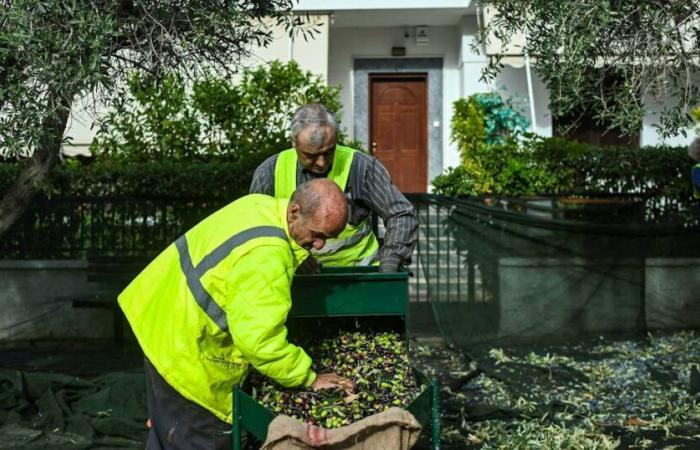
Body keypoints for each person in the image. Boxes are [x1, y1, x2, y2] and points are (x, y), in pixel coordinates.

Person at [118, 179, 355, 450]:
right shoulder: (267, 255)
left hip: (162, 327)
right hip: (189, 358)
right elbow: (261, 343)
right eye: (317, 234)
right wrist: (309, 377)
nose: (320, 245)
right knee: (200, 439)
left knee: (166, 435)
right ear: (294, 212)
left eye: (328, 237)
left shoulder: (258, 205)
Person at [250, 103, 417, 272]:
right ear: (293, 143)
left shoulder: (361, 167)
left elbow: (401, 213)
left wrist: (390, 262)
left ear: (335, 137)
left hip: (358, 277)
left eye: (329, 151)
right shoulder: (269, 172)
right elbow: (255, 227)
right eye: (311, 155)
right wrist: (292, 256)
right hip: (294, 279)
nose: (321, 163)